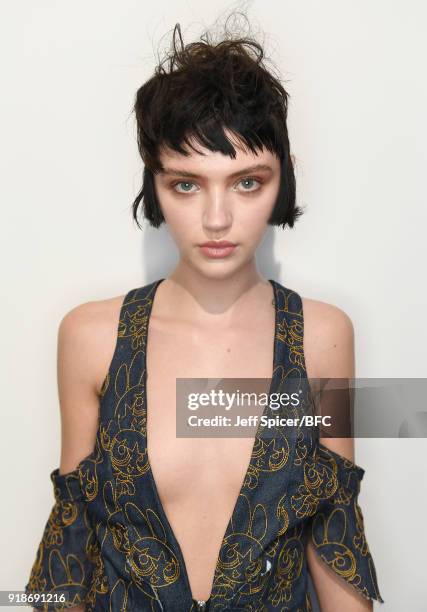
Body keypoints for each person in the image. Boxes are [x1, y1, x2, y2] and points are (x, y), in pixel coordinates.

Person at [25, 17, 384, 612]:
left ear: (282, 178)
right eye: (187, 184)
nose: (217, 219)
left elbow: (334, 528)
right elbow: (72, 541)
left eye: (246, 182)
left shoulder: (324, 335)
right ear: (155, 184)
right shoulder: (91, 337)